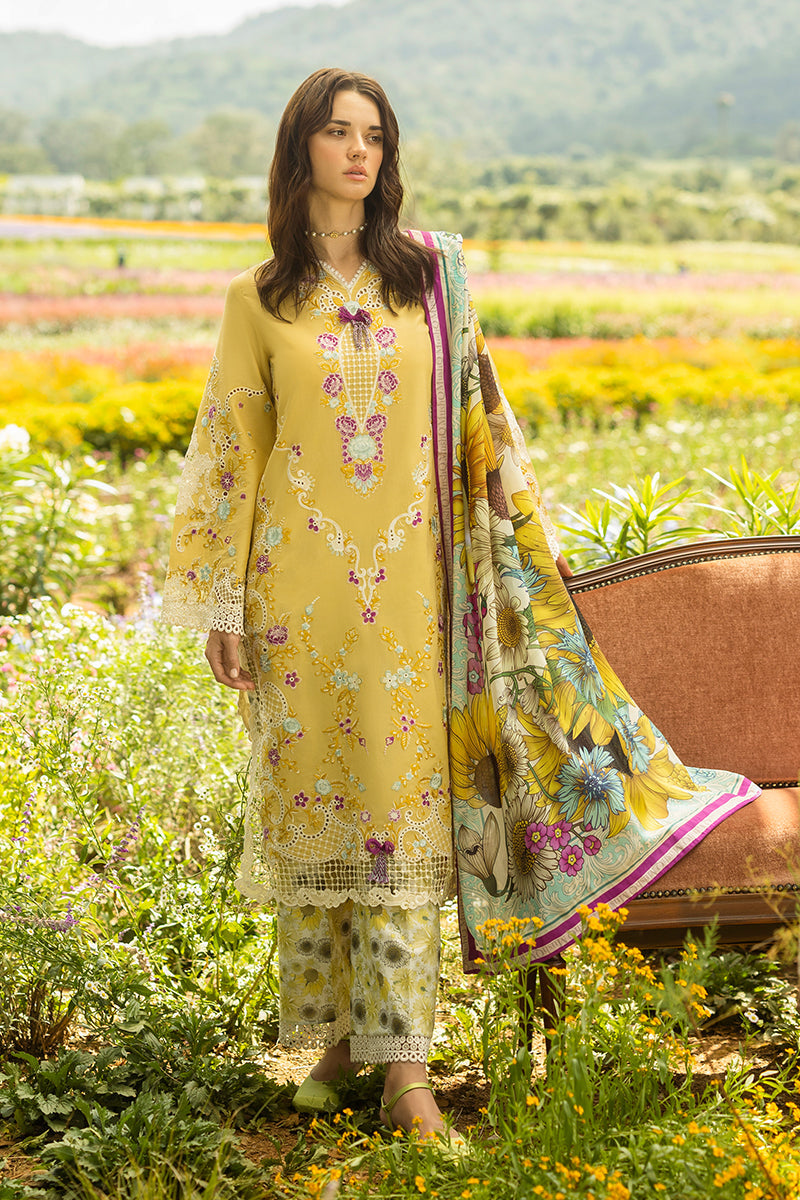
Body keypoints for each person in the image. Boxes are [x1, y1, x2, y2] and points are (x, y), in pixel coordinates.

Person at [162, 67, 759, 1142]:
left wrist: (512, 560)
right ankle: (340, 1042)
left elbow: (487, 427)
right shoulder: (257, 300)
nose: (358, 150)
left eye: (374, 135)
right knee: (323, 813)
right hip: (297, 601)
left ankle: (406, 1074)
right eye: (337, 132)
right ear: (299, 150)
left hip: (417, 599)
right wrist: (220, 604)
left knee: (399, 822)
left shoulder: (430, 278)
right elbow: (230, 452)